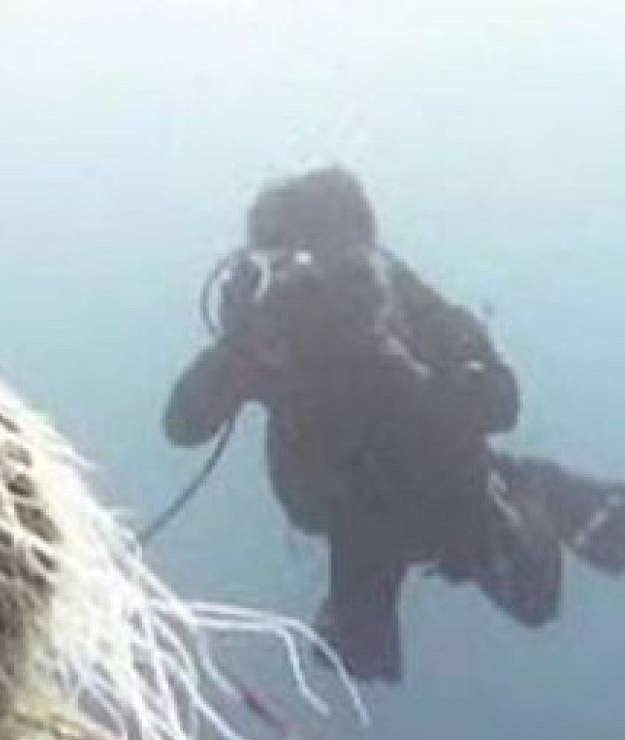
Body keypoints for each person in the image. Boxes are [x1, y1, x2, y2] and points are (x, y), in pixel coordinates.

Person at [164, 166, 625, 682]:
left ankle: (540, 494)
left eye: (338, 262)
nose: (319, 288)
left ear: (366, 253)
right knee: (359, 648)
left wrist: (400, 360)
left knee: (535, 595)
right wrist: (236, 347)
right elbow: (184, 425)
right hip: (352, 509)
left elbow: (500, 402)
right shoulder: (271, 330)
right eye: (292, 264)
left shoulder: (406, 308)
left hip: (438, 486)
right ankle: (540, 499)